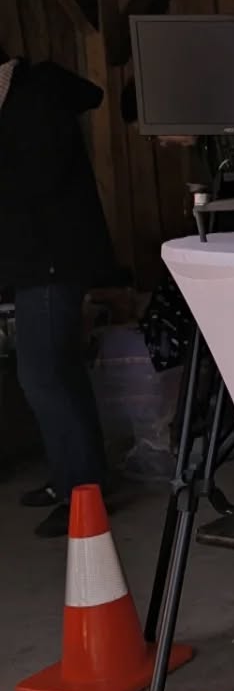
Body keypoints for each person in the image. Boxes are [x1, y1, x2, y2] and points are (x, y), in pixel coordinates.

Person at [0, 49, 117, 537]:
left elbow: (35, 182)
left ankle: (80, 491)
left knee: (43, 376)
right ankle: (74, 481)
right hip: (37, 260)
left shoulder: (31, 101)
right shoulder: (25, 97)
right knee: (57, 372)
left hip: (50, 260)